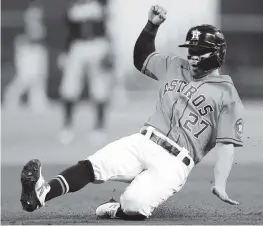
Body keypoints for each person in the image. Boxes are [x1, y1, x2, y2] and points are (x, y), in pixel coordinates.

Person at [20, 5, 244, 220]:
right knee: (94, 165)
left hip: (175, 163)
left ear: (217, 53)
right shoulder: (175, 65)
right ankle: (41, 192)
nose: (193, 56)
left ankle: (118, 209)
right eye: (191, 50)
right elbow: (142, 58)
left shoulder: (227, 94)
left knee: (135, 207)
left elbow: (226, 145)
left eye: (199, 52)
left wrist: (220, 181)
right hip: (144, 141)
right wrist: (151, 27)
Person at [58, 0, 114, 145]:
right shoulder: (73, 8)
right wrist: (65, 51)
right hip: (77, 46)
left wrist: (109, 50)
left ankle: (99, 128)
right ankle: (67, 127)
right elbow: (69, 32)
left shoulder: (100, 5)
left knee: (100, 88)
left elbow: (109, 28)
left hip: (98, 45)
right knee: (69, 87)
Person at [4, 2, 49, 113]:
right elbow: (29, 38)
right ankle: (10, 99)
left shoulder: (39, 25)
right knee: (24, 78)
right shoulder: (29, 25)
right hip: (28, 53)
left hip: (36, 52)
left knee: (38, 78)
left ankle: (38, 102)